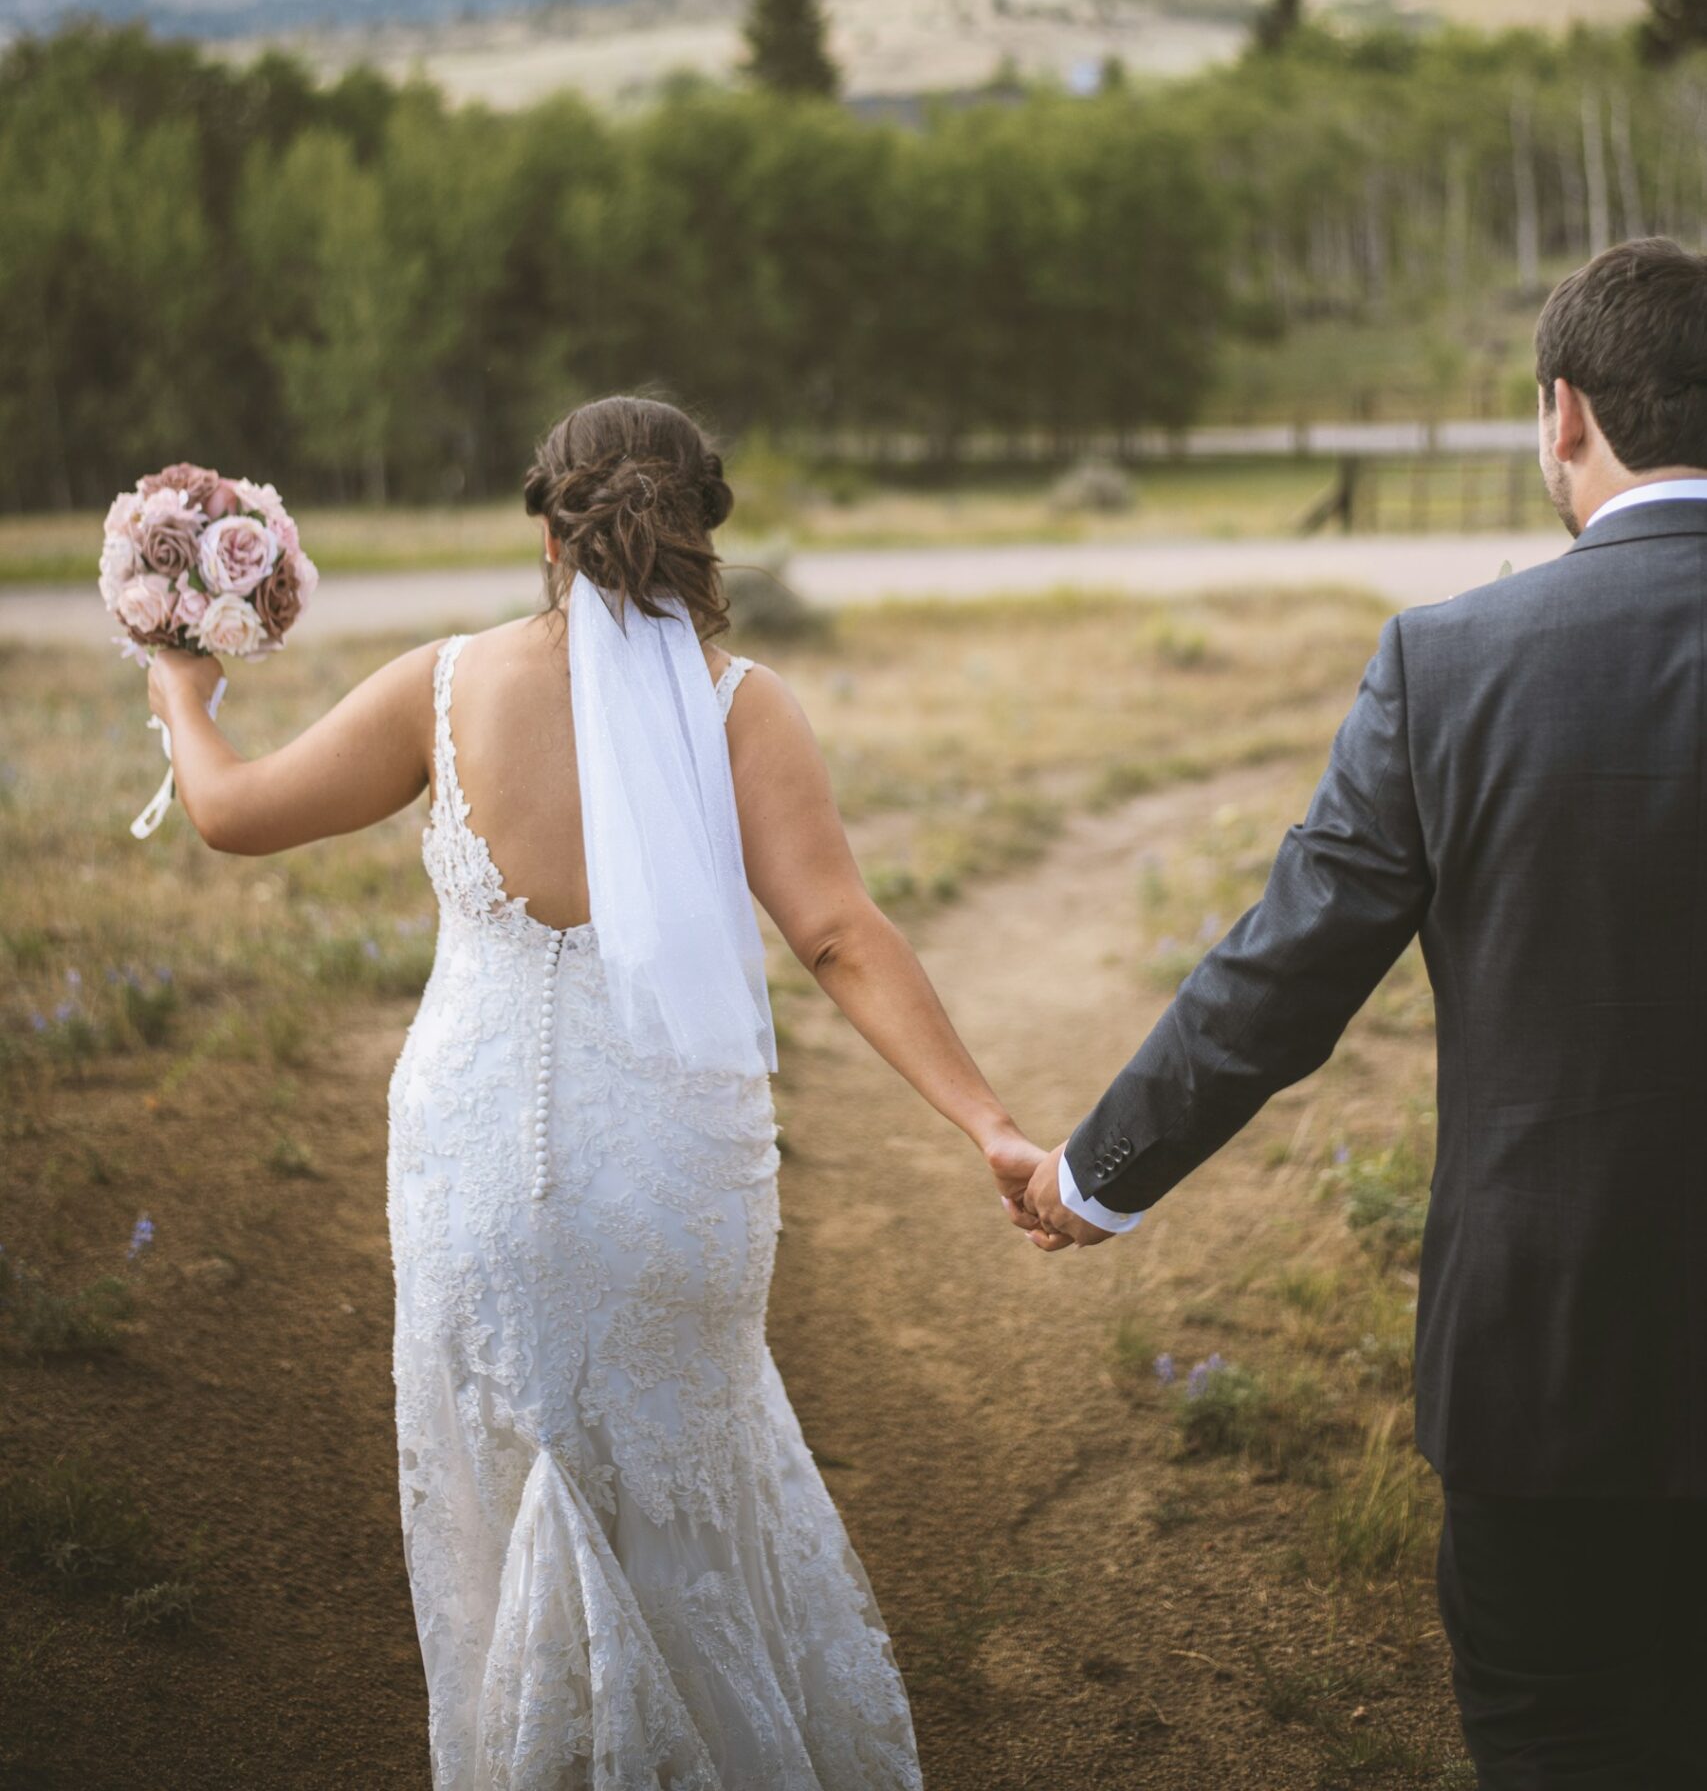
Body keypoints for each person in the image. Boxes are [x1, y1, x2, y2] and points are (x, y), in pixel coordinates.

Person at [147, 393, 1047, 1791]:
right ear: (705, 530)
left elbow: (229, 813)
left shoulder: (439, 689)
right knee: (684, 1504)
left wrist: (179, 696)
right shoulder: (747, 710)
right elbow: (837, 935)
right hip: (676, 1184)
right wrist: (988, 1122)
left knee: (514, 1496)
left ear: (545, 526)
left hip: (476, 1170)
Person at [1013, 237, 1707, 1789]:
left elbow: (1284, 975)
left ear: (1562, 414)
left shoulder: (1452, 666)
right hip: (1563, 1362)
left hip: (1554, 1359)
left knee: (1569, 1744)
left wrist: (1096, 1173)